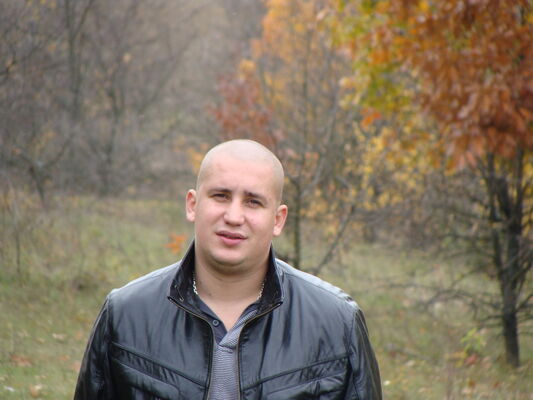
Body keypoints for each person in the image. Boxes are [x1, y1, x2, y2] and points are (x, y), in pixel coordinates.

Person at [74, 139, 382, 399]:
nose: (234, 216)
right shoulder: (125, 314)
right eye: (221, 196)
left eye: (253, 202)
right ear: (193, 204)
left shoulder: (337, 323)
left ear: (278, 220)